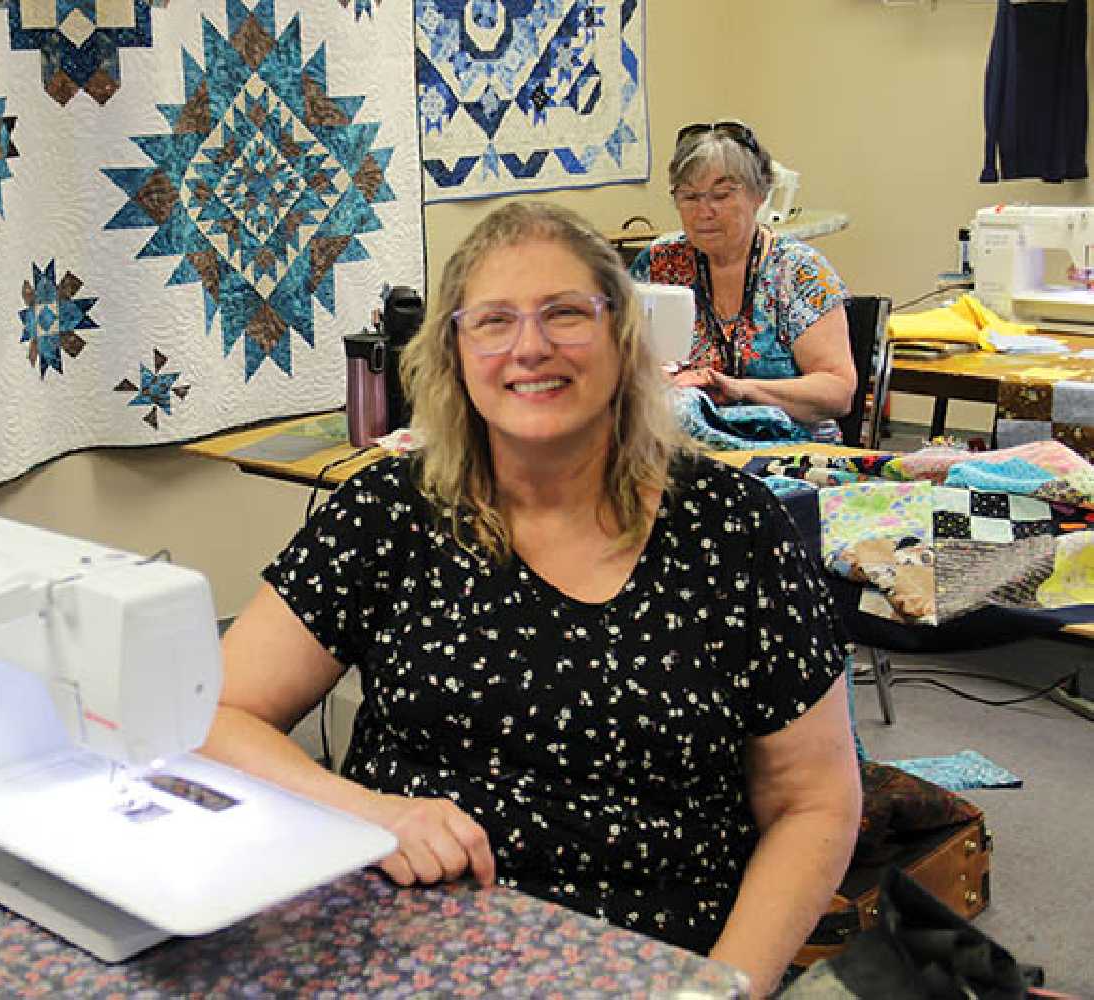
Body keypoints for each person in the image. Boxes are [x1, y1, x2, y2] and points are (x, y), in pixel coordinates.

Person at [201, 201, 862, 995]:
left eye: (564, 314)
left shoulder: (731, 531)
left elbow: (814, 804)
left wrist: (721, 988)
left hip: (651, 964)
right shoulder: (391, 511)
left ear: (623, 339)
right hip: (404, 945)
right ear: (452, 351)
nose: (530, 347)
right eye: (493, 321)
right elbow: (215, 716)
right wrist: (368, 811)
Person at [631, 121, 855, 438]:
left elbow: (838, 391)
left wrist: (738, 389)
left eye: (721, 196)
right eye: (689, 197)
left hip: (787, 447)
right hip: (684, 443)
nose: (704, 211)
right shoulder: (659, 264)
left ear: (759, 196)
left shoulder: (797, 271)